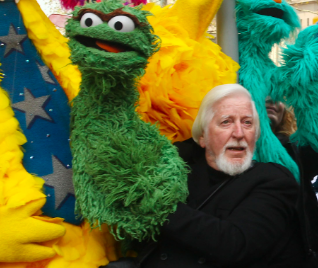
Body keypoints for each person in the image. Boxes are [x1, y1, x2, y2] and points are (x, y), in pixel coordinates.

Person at [103, 84, 306, 268]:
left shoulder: (275, 181)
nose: (239, 133)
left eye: (247, 123)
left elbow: (234, 244)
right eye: (226, 122)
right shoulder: (176, 170)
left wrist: (155, 204)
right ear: (203, 137)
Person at [266, 98, 318, 263]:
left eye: (278, 95)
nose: (270, 99)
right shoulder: (228, 155)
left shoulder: (299, 148)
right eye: (261, 91)